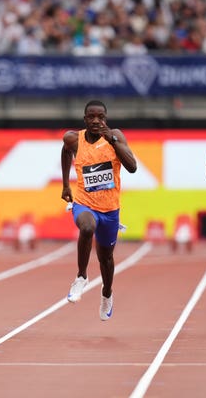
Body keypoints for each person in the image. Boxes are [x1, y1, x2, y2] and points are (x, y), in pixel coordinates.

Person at [61, 100, 137, 321]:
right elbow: (66, 151)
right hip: (85, 203)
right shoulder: (74, 139)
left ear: (106, 118)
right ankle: (81, 277)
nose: (96, 121)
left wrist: (112, 140)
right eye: (91, 117)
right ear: (85, 119)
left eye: (100, 117)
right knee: (86, 226)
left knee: (106, 259)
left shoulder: (115, 136)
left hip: (110, 210)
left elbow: (132, 167)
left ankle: (107, 293)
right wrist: (66, 184)